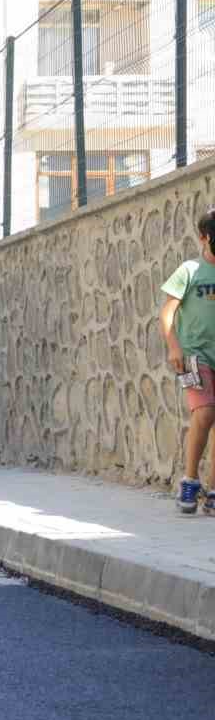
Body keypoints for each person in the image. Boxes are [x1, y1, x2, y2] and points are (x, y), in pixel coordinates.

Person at [159, 207, 215, 514]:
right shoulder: (190, 270)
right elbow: (167, 312)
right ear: (204, 237)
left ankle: (213, 490)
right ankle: (190, 480)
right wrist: (173, 347)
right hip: (195, 354)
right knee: (205, 414)